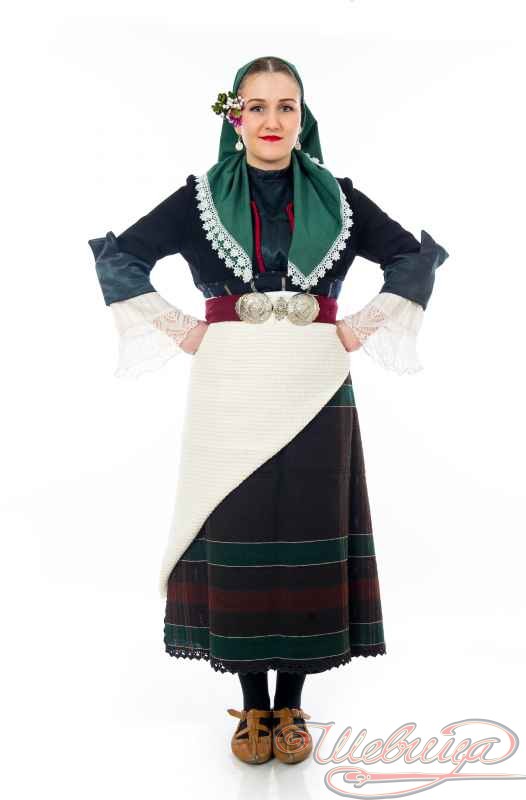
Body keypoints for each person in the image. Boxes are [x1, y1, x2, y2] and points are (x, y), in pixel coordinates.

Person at [88, 55, 449, 766]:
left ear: (303, 118)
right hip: (231, 380)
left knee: (309, 530)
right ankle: (253, 705)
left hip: (316, 379)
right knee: (240, 525)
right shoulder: (197, 199)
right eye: (257, 107)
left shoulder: (340, 199)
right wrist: (184, 330)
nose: (273, 120)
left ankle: (292, 706)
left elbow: (413, 259)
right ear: (236, 118)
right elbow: (118, 259)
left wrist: (357, 327)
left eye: (287, 107)